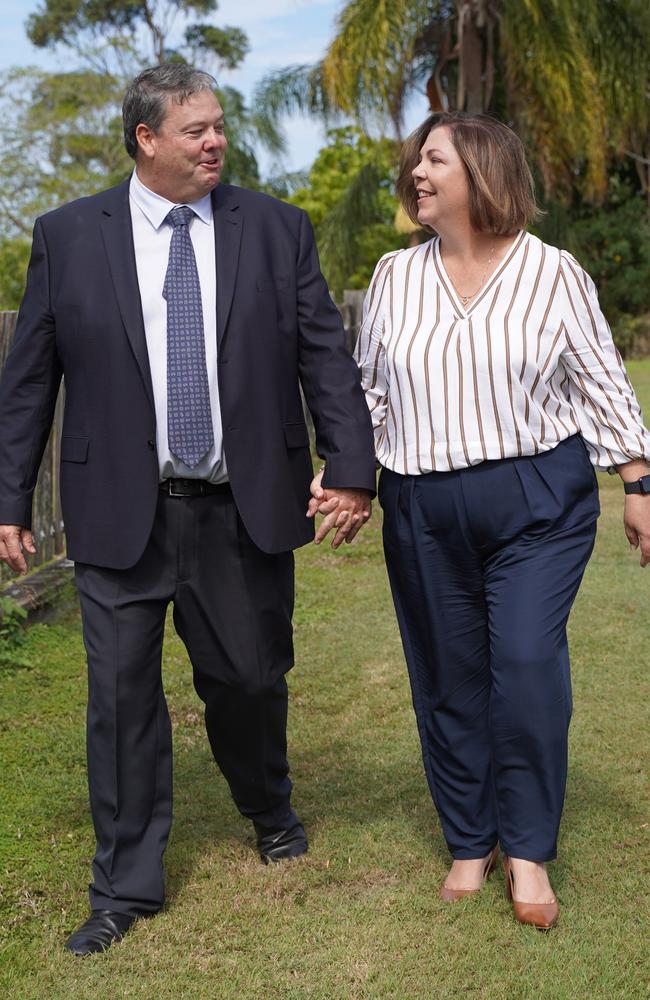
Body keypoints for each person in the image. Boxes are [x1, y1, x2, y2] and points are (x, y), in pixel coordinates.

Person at [0, 64, 375, 955]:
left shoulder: (277, 230)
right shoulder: (67, 236)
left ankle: (269, 808)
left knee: (249, 678)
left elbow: (324, 354)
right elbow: (26, 386)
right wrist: (8, 498)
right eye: (197, 130)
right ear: (147, 139)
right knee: (122, 699)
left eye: (219, 128)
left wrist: (351, 464)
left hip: (238, 507)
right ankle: (125, 885)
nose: (216, 142)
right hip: (116, 510)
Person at [310, 112, 650, 929]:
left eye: (434, 159)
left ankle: (528, 850)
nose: (415, 172)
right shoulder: (394, 276)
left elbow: (600, 378)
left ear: (483, 172)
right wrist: (350, 478)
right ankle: (472, 838)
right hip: (423, 505)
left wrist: (638, 479)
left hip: (537, 500)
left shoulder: (552, 271)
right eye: (416, 160)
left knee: (528, 668)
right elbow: (372, 392)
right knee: (448, 678)